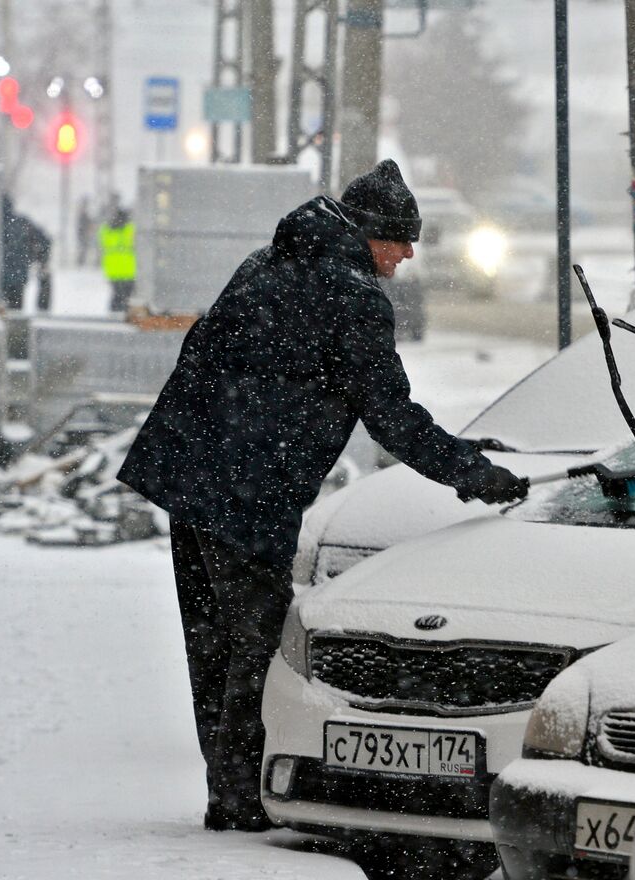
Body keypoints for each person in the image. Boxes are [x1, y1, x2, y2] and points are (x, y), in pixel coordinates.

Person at [117, 159, 528, 831]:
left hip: (187, 477)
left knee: (213, 647)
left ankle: (230, 793)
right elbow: (391, 415)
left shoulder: (265, 263)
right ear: (370, 235)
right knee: (258, 650)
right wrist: (474, 474)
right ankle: (245, 800)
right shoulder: (353, 297)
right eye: (400, 239)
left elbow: (203, 352)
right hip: (246, 493)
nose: (408, 255)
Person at [0, 195, 52, 312]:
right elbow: (44, 241)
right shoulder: (22, 223)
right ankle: (15, 328)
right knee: (15, 310)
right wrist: (40, 259)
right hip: (19, 275)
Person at [98, 205, 136, 312]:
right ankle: (122, 314)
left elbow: (102, 243)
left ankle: (114, 315)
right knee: (126, 296)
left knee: (117, 294)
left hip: (112, 268)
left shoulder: (106, 229)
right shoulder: (130, 229)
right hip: (128, 267)